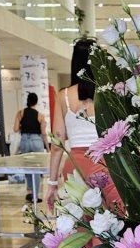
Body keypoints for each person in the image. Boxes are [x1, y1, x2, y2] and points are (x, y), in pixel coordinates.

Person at [46, 39, 121, 213]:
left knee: (80, 218)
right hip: (107, 163)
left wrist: (52, 183)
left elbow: (57, 143)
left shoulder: (64, 95)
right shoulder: (109, 92)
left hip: (76, 165)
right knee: (113, 217)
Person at [12, 92, 48, 202]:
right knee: (36, 169)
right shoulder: (40, 116)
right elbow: (43, 133)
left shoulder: (20, 113)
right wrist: (48, 147)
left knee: (27, 167)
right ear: (36, 102)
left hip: (24, 141)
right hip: (36, 141)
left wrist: (23, 127)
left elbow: (15, 129)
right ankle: (35, 196)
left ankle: (29, 192)